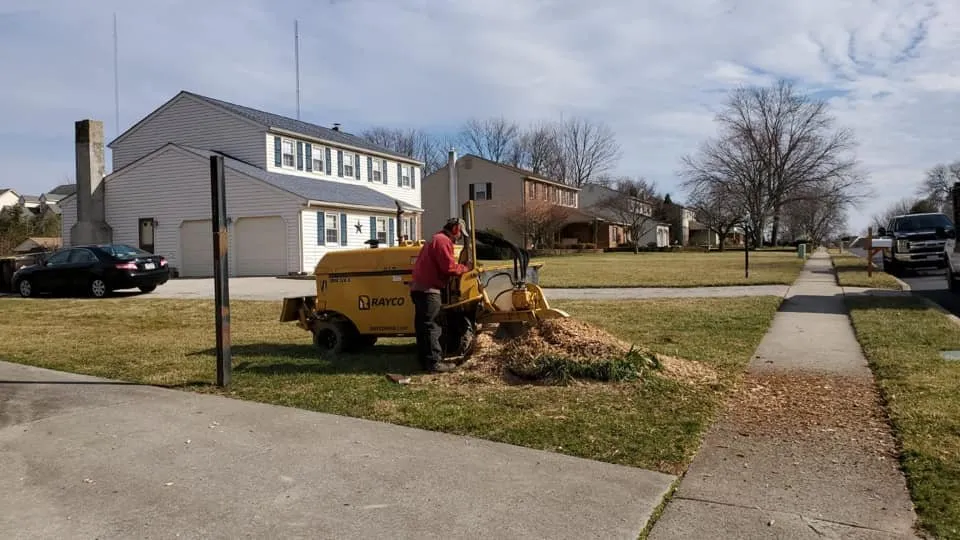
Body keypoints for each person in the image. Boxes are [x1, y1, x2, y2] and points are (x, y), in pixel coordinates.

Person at [409, 218, 469, 372]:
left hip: (419, 289)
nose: (458, 238)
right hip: (429, 290)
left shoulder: (435, 238)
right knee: (433, 326)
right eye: (460, 234)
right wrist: (465, 268)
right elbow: (448, 268)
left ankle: (424, 361)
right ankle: (434, 363)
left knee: (423, 326)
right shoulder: (443, 241)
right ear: (455, 229)